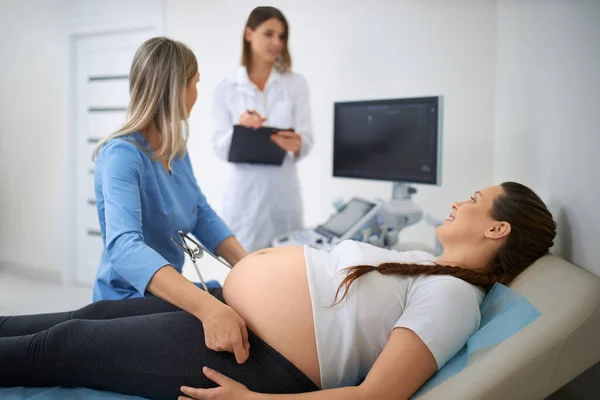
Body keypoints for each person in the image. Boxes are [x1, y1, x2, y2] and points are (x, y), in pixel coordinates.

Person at [0, 182, 556, 400]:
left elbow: (377, 397)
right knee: (90, 313)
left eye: (476, 198)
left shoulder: (455, 295)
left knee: (65, 345)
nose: (460, 200)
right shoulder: (423, 262)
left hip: (260, 361)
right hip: (231, 313)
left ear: (496, 228)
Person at [91, 37, 250, 362]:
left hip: (167, 298)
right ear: (176, 89)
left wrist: (250, 266)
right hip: (126, 301)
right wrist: (206, 308)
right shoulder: (122, 154)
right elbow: (124, 247)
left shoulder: (176, 152)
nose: (196, 93)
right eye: (194, 84)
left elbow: (201, 213)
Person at [211, 6, 314, 251]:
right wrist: (240, 129)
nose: (276, 42)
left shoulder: (295, 84)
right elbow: (218, 145)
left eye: (281, 36)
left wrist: (296, 144)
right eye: (269, 34)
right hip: (244, 199)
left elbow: (307, 140)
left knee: (285, 272)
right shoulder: (225, 87)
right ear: (249, 34)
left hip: (283, 195)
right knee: (244, 276)